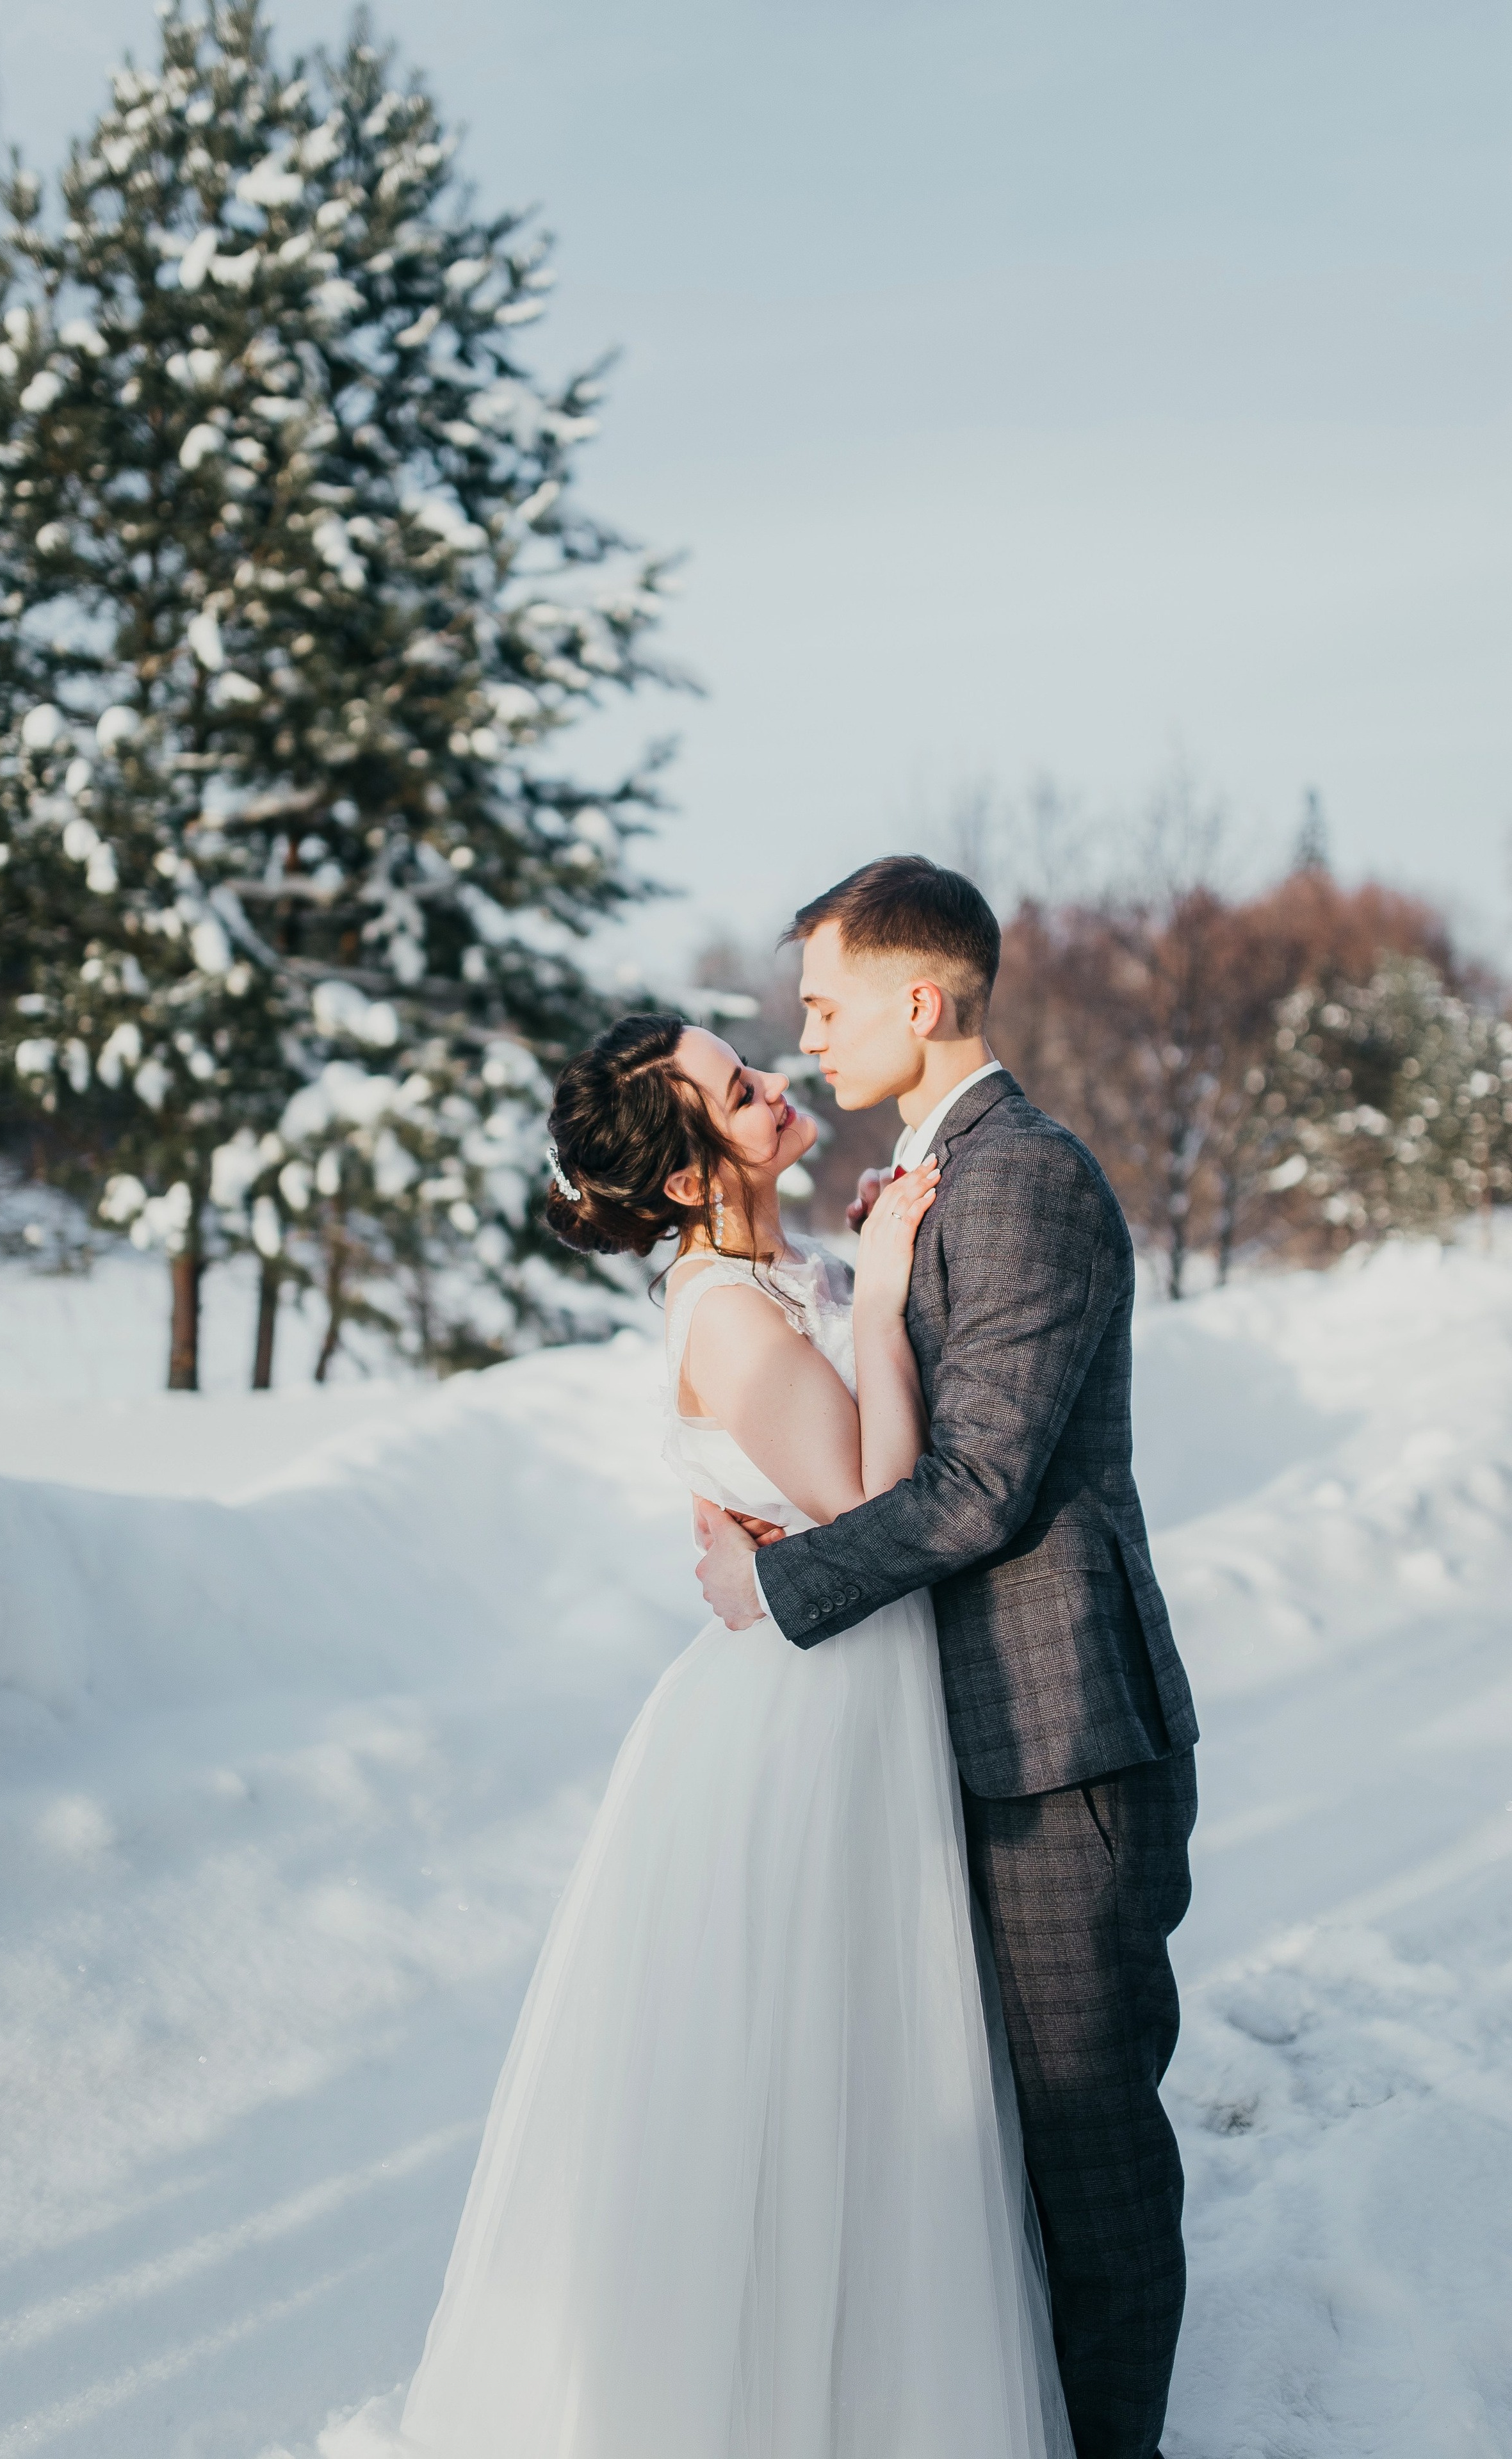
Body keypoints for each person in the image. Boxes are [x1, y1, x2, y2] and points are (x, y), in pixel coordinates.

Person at [395, 1005, 1074, 2459]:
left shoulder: (778, 1267)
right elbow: (873, 1504)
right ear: (689, 1173)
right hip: (806, 1718)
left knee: (873, 2063)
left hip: (857, 1679)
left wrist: (864, 1268)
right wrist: (881, 1298)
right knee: (811, 2061)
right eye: (738, 1088)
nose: (773, 1084)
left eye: (749, 1065)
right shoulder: (718, 1305)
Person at [696, 856, 1199, 2459]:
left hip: (1061, 1743)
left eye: (823, 1004)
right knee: (996, 2149)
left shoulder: (1022, 1179)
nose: (804, 1036)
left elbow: (977, 1490)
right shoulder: (937, 1179)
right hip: (962, 1742)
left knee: (1087, 2157)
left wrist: (779, 1589)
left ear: (917, 1002)